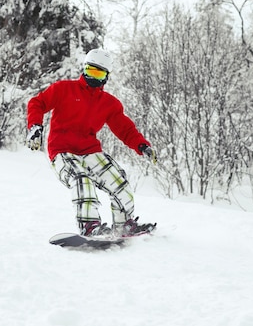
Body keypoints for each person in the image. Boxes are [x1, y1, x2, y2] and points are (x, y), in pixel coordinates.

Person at [26, 49, 157, 237]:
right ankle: (89, 226)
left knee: (119, 180)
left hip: (89, 151)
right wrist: (35, 126)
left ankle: (124, 225)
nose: (93, 77)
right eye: (90, 71)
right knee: (81, 180)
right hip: (62, 151)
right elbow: (37, 103)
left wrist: (142, 145)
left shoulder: (109, 103)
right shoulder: (64, 89)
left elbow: (124, 128)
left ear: (106, 77)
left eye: (99, 73)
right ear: (84, 69)